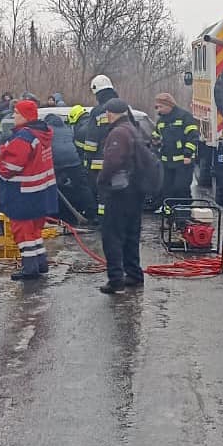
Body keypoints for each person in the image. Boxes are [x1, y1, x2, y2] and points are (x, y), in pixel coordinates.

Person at [0, 97, 57, 280]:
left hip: (24, 195)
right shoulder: (42, 134)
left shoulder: (24, 137)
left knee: (23, 232)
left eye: (16, 113)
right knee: (34, 231)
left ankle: (30, 268)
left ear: (25, 116)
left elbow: (10, 167)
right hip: (42, 193)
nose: (13, 116)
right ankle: (40, 262)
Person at [95, 98, 150, 294]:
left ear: (110, 113)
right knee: (131, 235)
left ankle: (116, 280)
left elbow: (112, 162)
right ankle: (134, 274)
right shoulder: (134, 129)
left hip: (120, 192)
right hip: (136, 192)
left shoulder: (118, 133)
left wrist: (101, 180)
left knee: (112, 236)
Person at [73, 74, 121, 219]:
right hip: (121, 160)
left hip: (100, 163)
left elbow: (91, 140)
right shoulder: (123, 107)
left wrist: (87, 159)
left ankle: (103, 221)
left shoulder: (98, 111)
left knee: (102, 194)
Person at [151, 92, 201, 211]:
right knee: (166, 190)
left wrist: (188, 154)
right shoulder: (161, 121)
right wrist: (155, 142)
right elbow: (155, 135)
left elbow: (193, 136)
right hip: (166, 163)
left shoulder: (184, 117)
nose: (158, 110)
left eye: (160, 107)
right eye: (156, 107)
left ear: (169, 105)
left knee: (181, 188)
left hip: (183, 162)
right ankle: (169, 216)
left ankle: (183, 215)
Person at [46, 109, 94, 222]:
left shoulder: (47, 130)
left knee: (52, 187)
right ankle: (91, 212)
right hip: (73, 160)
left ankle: (53, 215)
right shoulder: (68, 129)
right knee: (82, 186)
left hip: (56, 161)